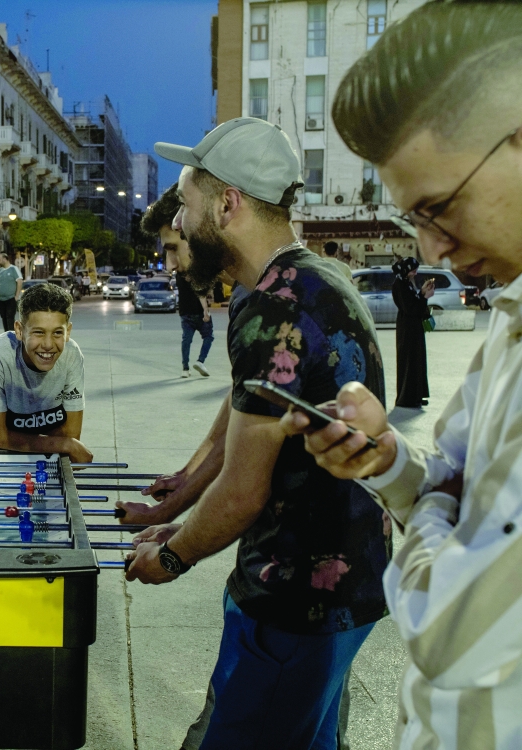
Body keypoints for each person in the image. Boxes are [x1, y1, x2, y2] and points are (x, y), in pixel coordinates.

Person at [281, 5, 522, 747]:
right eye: (414, 220)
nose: (433, 249)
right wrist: (387, 462)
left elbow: (443, 628)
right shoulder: (511, 316)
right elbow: (452, 470)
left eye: (440, 208)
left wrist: (430, 520)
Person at [124, 118, 390, 750]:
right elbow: (248, 405)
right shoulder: (300, 281)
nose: (181, 224)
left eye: (187, 206)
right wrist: (180, 499)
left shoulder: (275, 308)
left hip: (296, 600)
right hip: (347, 585)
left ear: (228, 203)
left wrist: (172, 555)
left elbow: (244, 492)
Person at [0, 283, 92, 463]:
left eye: (57, 333)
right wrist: (65, 445)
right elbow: (66, 442)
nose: (48, 344)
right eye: (38, 332)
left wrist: (4, 437)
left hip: (17, 425)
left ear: (68, 332)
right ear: (19, 330)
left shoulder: (71, 355)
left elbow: (71, 433)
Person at [142, 184, 214, 378]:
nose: (169, 266)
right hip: (192, 314)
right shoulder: (247, 296)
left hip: (188, 314)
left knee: (188, 340)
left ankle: (186, 367)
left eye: (173, 248)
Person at [391, 256, 434, 409]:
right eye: (413, 271)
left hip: (412, 328)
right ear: (407, 270)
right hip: (407, 329)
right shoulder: (400, 284)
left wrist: (422, 293)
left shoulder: (405, 282)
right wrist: (424, 298)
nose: (415, 273)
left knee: (416, 361)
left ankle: (415, 395)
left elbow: (412, 303)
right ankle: (407, 398)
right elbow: (410, 308)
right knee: (409, 362)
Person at [0, 252, 23, 331]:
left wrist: (16, 296)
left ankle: (12, 335)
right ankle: (6, 333)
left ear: (5, 259)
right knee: (4, 317)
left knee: (10, 317)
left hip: (10, 298)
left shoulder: (13, 269)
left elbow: (19, 281)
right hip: (0, 299)